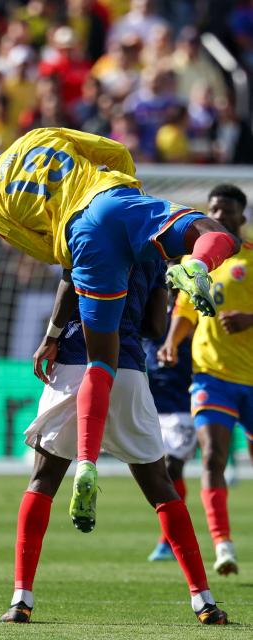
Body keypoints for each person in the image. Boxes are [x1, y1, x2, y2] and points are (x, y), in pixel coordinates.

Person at [0, 127, 239, 535]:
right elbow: (116, 152)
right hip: (117, 197)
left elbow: (55, 255)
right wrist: (128, 195)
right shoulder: (37, 136)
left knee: (101, 359)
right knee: (216, 234)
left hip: (84, 238)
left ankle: (86, 464)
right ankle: (197, 266)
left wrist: (56, 321)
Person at [0, 262, 228, 625]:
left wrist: (51, 337)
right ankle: (204, 601)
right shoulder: (153, 252)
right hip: (129, 369)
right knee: (161, 488)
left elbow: (68, 284)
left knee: (42, 480)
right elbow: (154, 328)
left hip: (75, 361)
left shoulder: (84, 228)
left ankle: (20, 600)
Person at [158, 184, 253, 576]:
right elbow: (185, 308)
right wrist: (171, 342)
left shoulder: (249, 258)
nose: (219, 214)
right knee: (212, 455)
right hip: (211, 376)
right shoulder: (196, 261)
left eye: (227, 210)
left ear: (241, 218)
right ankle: (223, 545)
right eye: (214, 208)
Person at [144, 276, 195, 562]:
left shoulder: (191, 315)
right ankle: (170, 538)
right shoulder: (153, 312)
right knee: (158, 475)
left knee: (171, 468)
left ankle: (168, 541)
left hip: (183, 407)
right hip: (150, 405)